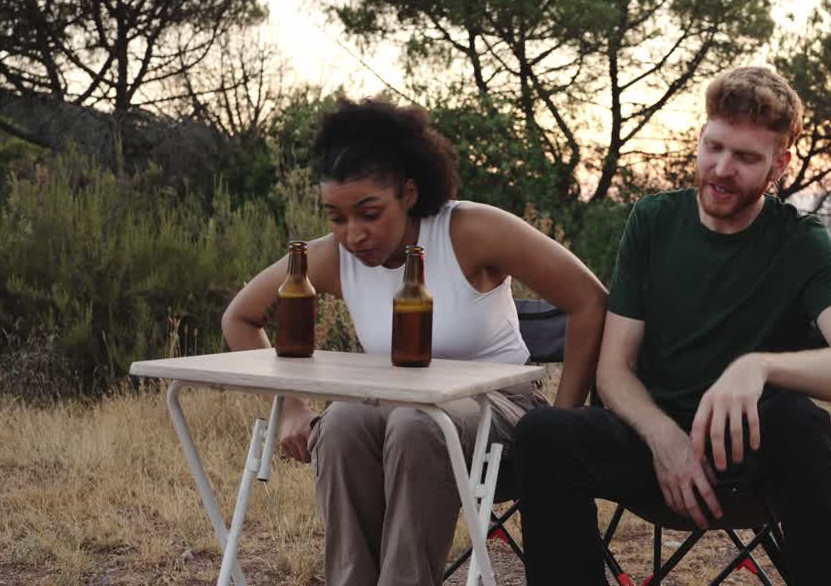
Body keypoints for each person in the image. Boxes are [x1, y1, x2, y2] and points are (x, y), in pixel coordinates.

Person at [514, 66, 831, 585]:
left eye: (746, 158)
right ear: (701, 136)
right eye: (714, 147)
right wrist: (665, 441)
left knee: (801, 422)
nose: (720, 169)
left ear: (779, 165)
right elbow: (615, 371)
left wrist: (757, 367)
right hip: (648, 450)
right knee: (544, 432)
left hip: (744, 457)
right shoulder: (653, 222)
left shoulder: (799, 242)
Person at [221, 99, 606, 586]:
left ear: (408, 192)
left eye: (369, 213)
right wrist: (292, 404)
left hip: (496, 409)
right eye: (336, 218)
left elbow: (590, 301)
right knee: (339, 420)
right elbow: (240, 317)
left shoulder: (470, 231)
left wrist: (562, 422)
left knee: (417, 423)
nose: (352, 234)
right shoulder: (332, 257)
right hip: (393, 408)